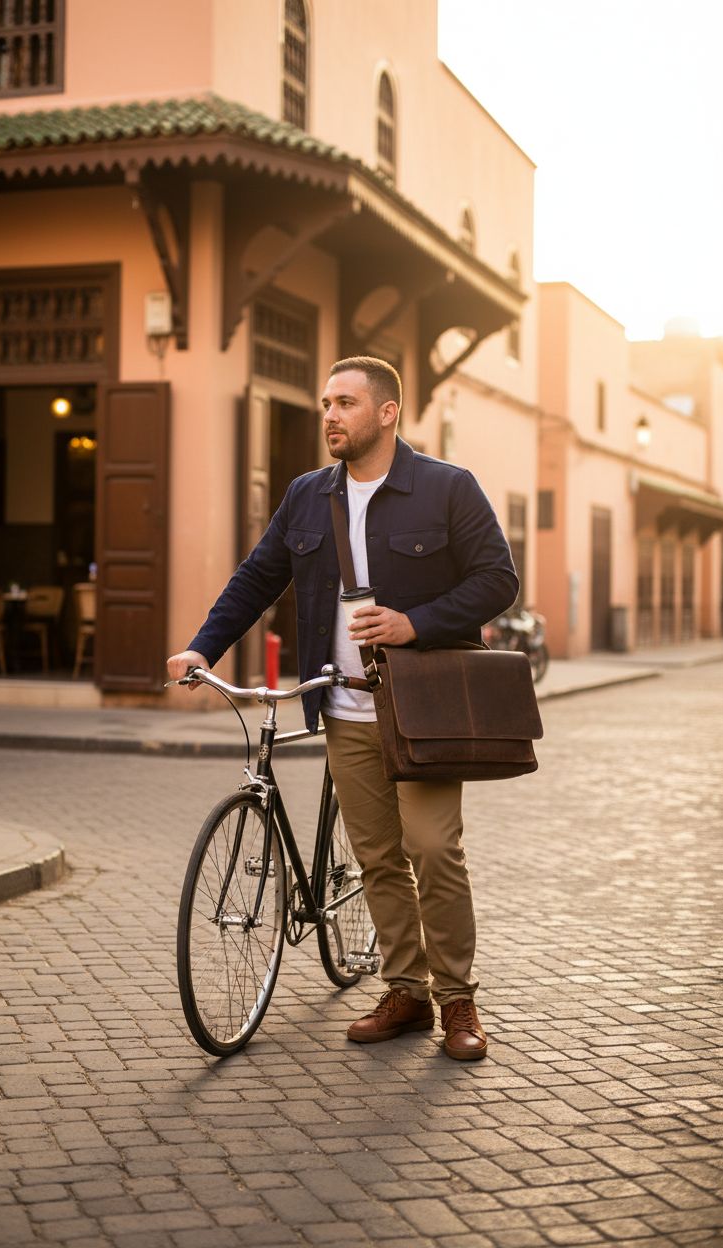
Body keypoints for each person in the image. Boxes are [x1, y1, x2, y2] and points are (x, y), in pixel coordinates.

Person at [167, 357, 518, 1060]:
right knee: (378, 859)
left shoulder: (447, 488)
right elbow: (257, 578)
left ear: (387, 412)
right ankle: (407, 992)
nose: (330, 414)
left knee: (432, 850)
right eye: (327, 402)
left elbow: (497, 581)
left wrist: (414, 622)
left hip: (420, 711)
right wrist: (204, 647)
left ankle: (457, 999)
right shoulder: (305, 496)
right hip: (343, 709)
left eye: (346, 403)